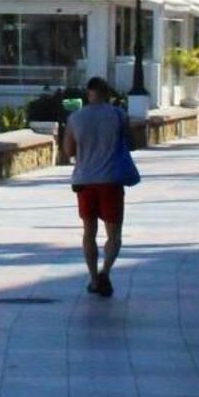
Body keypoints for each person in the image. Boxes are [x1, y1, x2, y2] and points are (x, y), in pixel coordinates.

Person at [67, 76, 133, 296]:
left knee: (89, 233)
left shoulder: (75, 118)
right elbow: (129, 142)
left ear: (89, 94)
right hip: (111, 180)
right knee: (114, 234)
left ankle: (94, 278)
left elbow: (68, 151)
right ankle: (105, 272)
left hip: (84, 181)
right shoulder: (118, 115)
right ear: (106, 94)